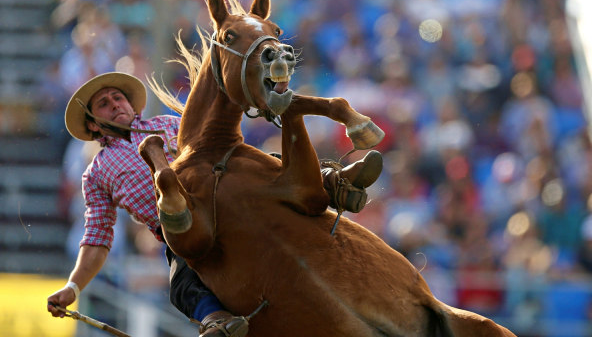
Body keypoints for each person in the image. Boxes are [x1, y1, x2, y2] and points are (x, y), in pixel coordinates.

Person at [46, 72, 383, 337]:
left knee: (254, 163)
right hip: (182, 229)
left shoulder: (169, 123)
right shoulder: (96, 173)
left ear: (132, 105)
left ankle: (330, 182)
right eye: (104, 104)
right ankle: (216, 320)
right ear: (93, 123)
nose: (114, 103)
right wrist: (73, 287)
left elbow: (218, 146)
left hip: (223, 193)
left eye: (117, 97)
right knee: (181, 281)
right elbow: (97, 238)